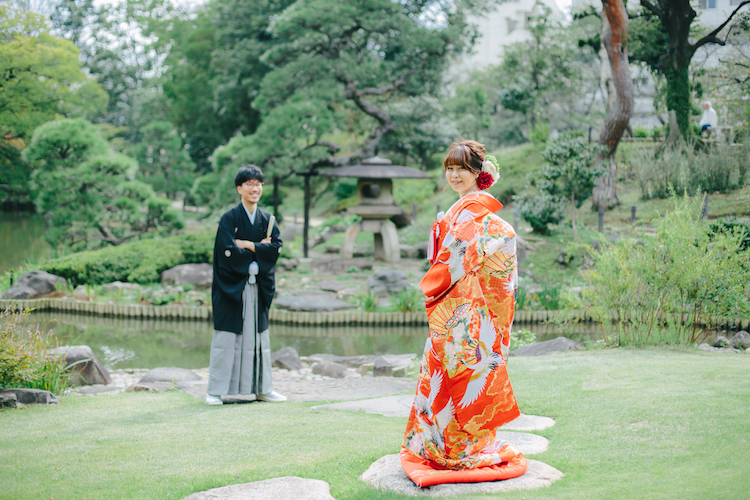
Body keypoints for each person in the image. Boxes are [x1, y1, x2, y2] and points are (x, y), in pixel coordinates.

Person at [400, 140, 527, 486]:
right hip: (456, 313)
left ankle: (460, 450)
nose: (454, 175)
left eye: (463, 169)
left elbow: (451, 265)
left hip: (468, 316)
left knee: (465, 374)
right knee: (443, 373)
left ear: (478, 174)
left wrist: (436, 283)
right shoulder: (460, 212)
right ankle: (438, 446)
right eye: (450, 169)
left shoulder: (478, 217)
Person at [206, 165, 286, 405]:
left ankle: (262, 389)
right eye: (249, 184)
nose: (255, 188)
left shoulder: (267, 219)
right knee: (227, 338)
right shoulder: (229, 219)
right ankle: (215, 391)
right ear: (239, 188)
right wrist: (260, 246)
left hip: (258, 287)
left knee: (258, 338)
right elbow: (227, 250)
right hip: (233, 287)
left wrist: (249, 245)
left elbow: (276, 248)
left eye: (258, 184)